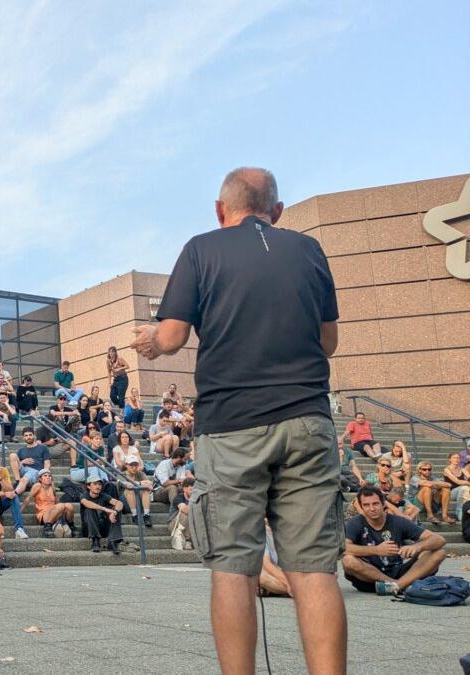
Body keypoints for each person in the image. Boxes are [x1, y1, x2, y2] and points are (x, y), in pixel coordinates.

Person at [131, 166, 345, 674]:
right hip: (307, 421)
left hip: (231, 426)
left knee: (233, 570)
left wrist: (151, 343)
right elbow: (329, 342)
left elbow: (173, 335)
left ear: (220, 210)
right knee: (315, 571)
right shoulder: (308, 249)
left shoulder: (201, 249)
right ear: (277, 212)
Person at [341, 488, 447, 595]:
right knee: (348, 560)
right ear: (361, 507)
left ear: (383, 504)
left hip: (398, 571)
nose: (372, 508)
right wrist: (376, 550)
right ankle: (396, 585)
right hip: (369, 578)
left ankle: (397, 586)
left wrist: (417, 547)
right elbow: (344, 548)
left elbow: (439, 539)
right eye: (366, 505)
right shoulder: (355, 523)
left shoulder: (397, 521)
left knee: (438, 552)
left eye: (375, 504)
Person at [80, 476, 124, 554]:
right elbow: (86, 503)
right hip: (89, 529)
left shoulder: (103, 495)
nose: (98, 486)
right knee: (89, 509)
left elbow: (119, 503)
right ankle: (95, 541)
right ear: (88, 486)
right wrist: (105, 509)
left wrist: (115, 512)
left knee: (117, 510)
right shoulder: (84, 495)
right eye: (95, 484)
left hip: (103, 528)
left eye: (100, 484)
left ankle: (113, 541)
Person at [24, 469, 75, 537]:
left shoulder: (52, 487)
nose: (48, 477)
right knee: (61, 506)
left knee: (69, 506)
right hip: (43, 514)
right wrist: (19, 511)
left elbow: (57, 502)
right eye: (45, 476)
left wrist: (62, 510)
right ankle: (47, 527)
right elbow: (28, 499)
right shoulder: (38, 485)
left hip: (54, 512)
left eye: (49, 476)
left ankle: (71, 526)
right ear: (40, 479)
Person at [9, 428, 50, 495]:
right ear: (23, 437)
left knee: (24, 479)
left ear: (34, 436)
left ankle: (13, 495)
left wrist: (44, 475)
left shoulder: (43, 448)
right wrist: (23, 461)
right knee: (12, 455)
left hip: (35, 471)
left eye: (30, 435)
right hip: (23, 470)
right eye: (26, 435)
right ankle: (17, 481)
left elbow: (47, 463)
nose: (28, 437)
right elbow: (15, 465)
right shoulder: (21, 450)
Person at [168, 478, 195, 550]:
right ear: (184, 489)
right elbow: (185, 510)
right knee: (186, 513)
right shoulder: (178, 498)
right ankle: (187, 540)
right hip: (174, 524)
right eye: (191, 489)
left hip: (188, 525)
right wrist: (193, 501)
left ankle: (189, 540)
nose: (193, 492)